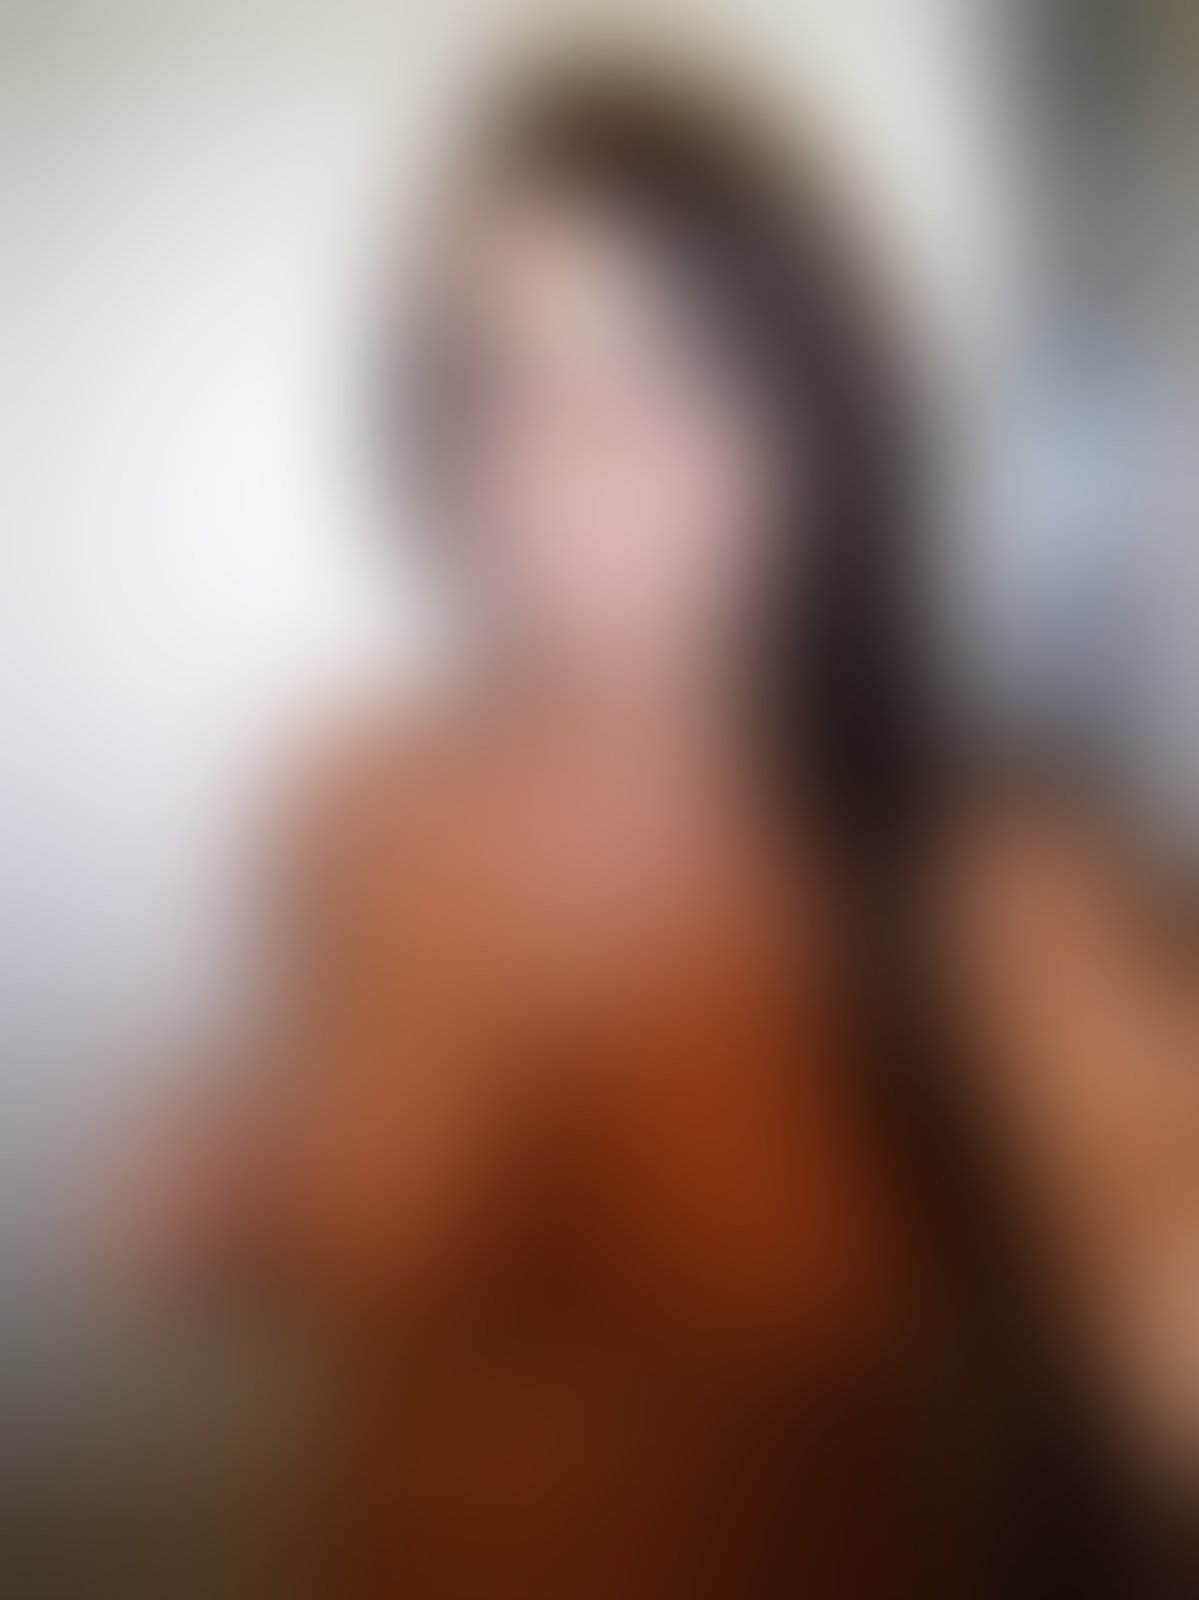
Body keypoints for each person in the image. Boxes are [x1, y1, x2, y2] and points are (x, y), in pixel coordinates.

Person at [123, 66, 1170, 1599]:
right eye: (508, 382)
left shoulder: (979, 877)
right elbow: (338, 1203)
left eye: (676, 368)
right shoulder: (355, 801)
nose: (580, 457)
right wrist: (237, 1198)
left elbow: (1157, 1217)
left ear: (815, 411)